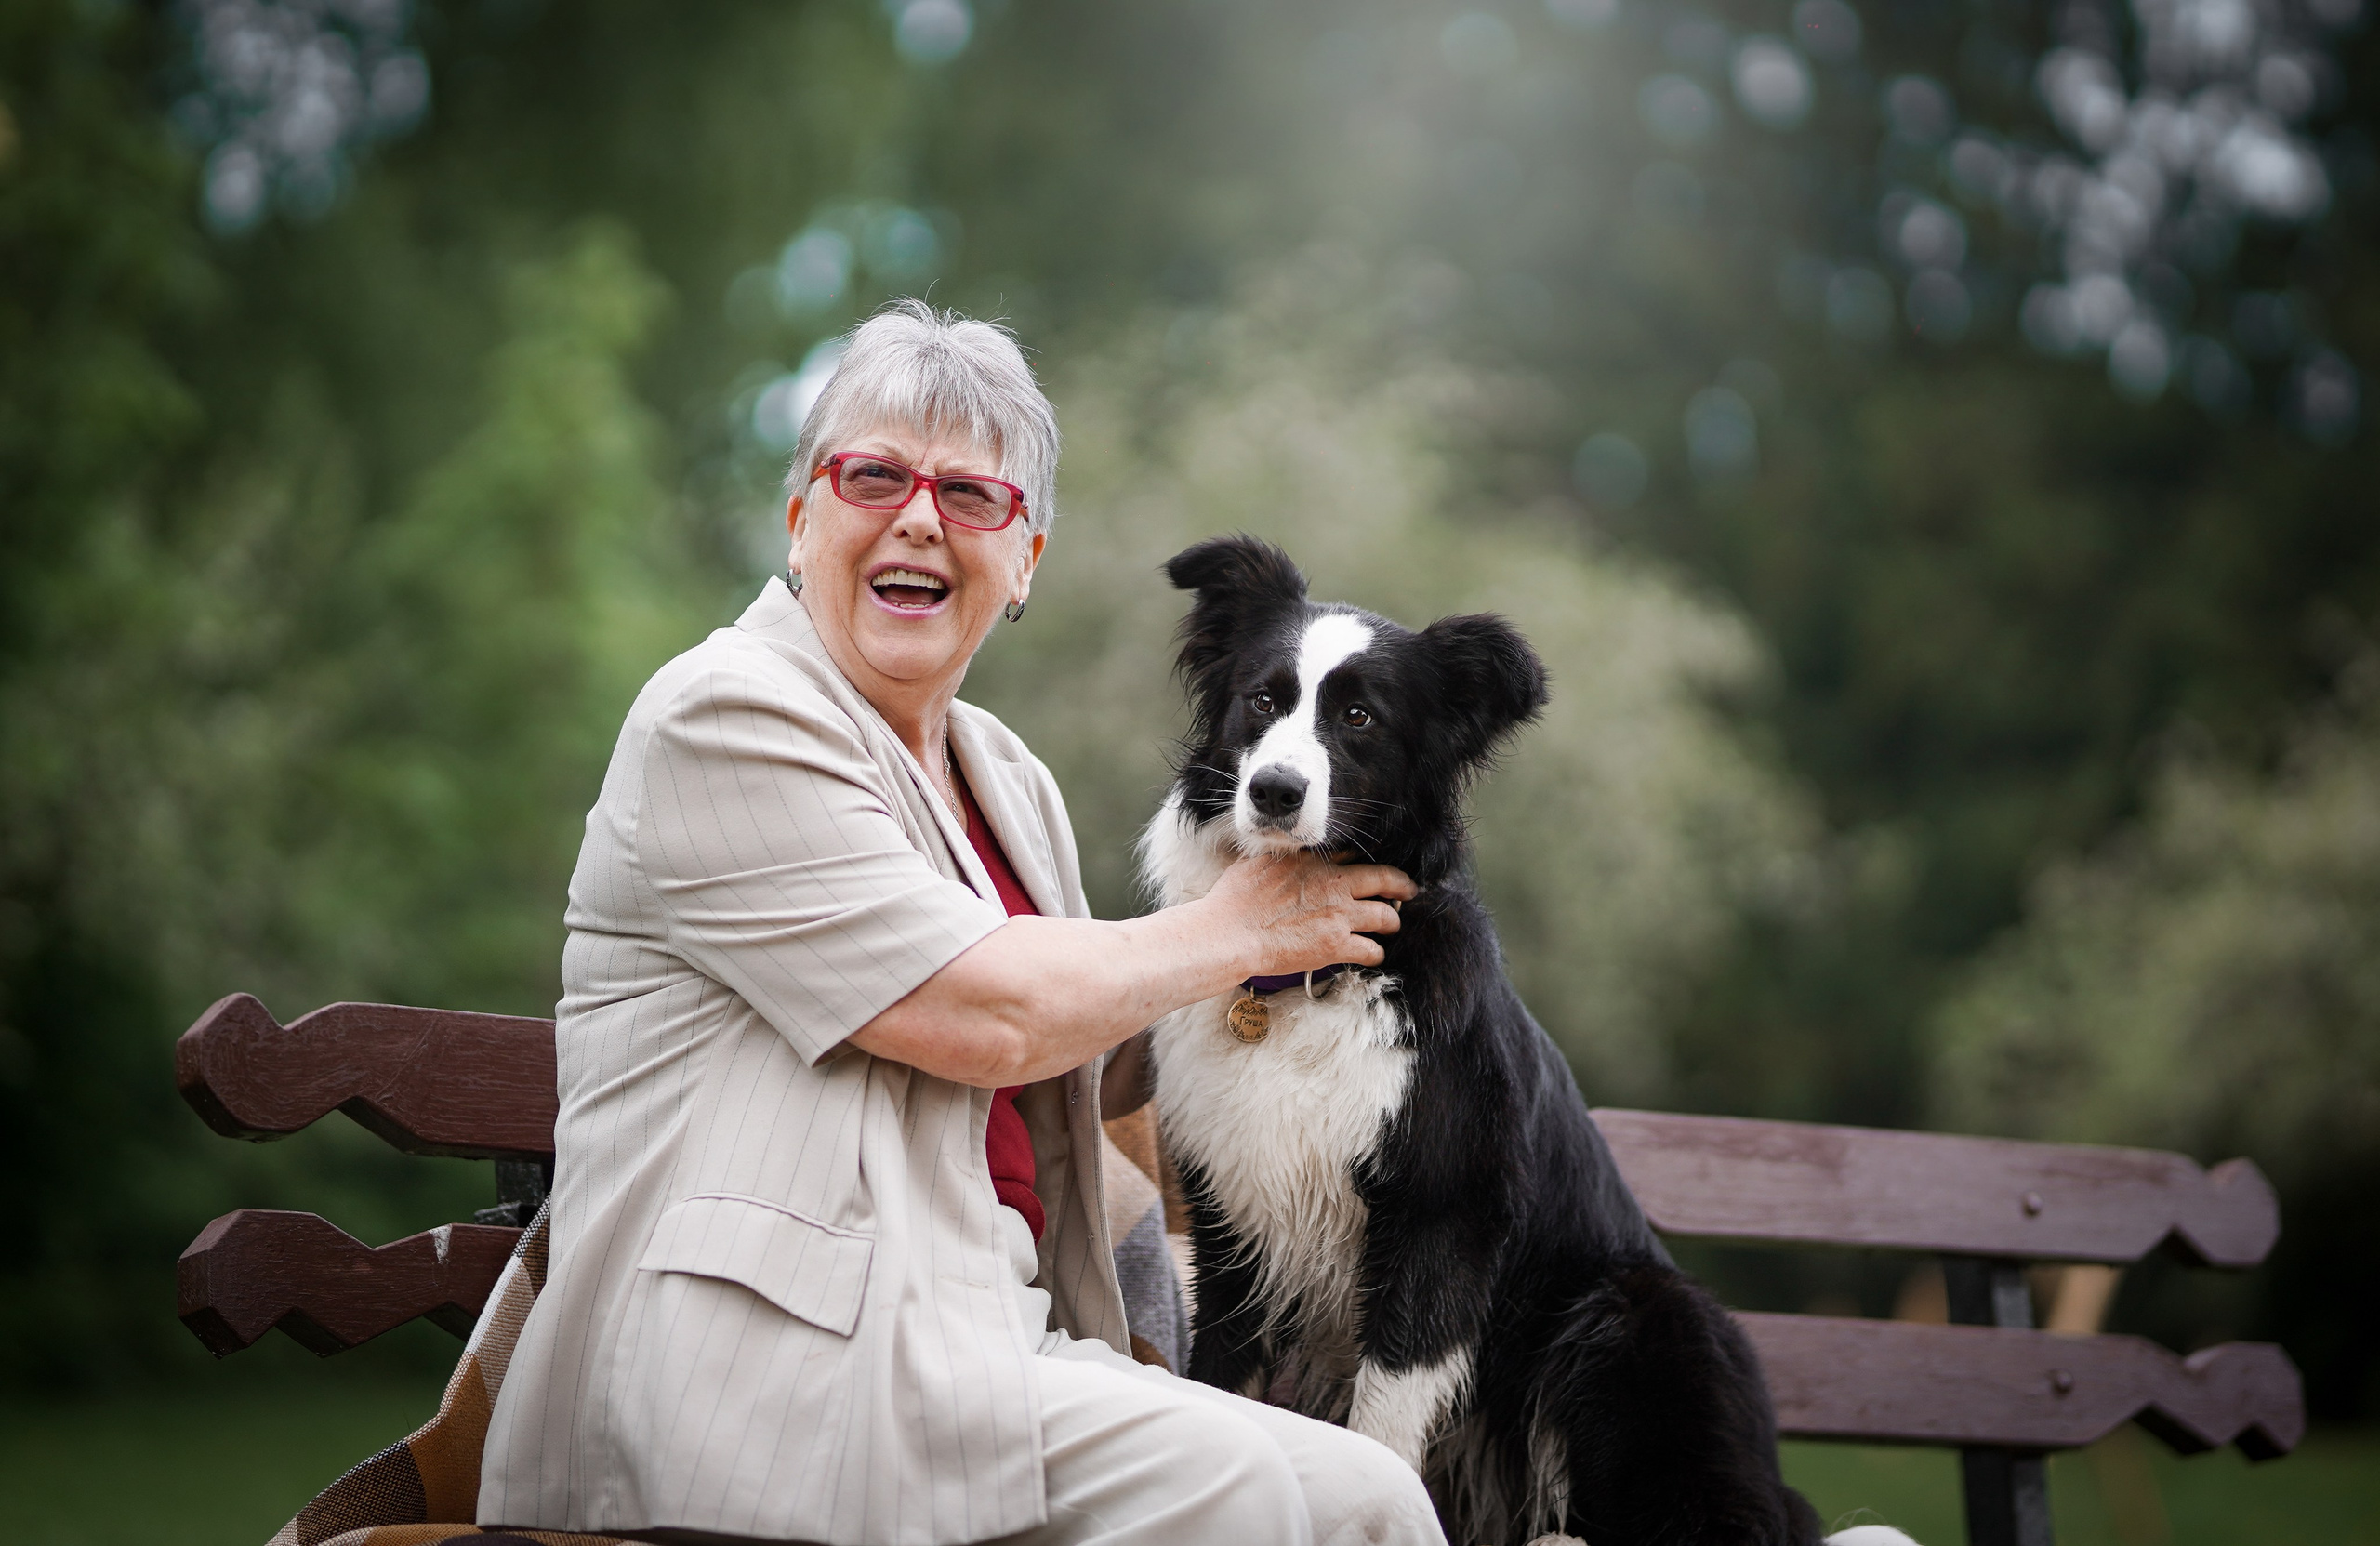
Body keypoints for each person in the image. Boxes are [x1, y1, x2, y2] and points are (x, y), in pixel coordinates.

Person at [477, 299, 1443, 1546]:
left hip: (990, 1340)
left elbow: (1096, 1046)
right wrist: (1248, 928)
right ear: (801, 519)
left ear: (1024, 559)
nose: (921, 518)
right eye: (874, 477)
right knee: (1237, 1497)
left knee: (1375, 1502)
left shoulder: (1009, 781)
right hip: (760, 1374)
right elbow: (991, 1015)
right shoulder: (721, 715)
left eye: (972, 496)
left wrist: (1363, 1024)